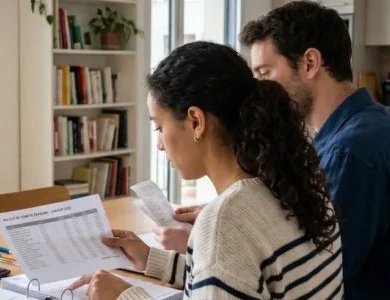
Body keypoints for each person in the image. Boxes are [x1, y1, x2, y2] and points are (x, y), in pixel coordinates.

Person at [68, 41, 343, 299]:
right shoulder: (295, 186)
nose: (160, 145)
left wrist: (124, 295)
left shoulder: (225, 221)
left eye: (159, 127)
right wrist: (150, 260)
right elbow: (237, 281)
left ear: (196, 121)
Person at [239, 1, 390, 299]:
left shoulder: (350, 151)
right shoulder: (381, 123)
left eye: (265, 73)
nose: (260, 89)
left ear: (310, 63)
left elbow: (315, 278)